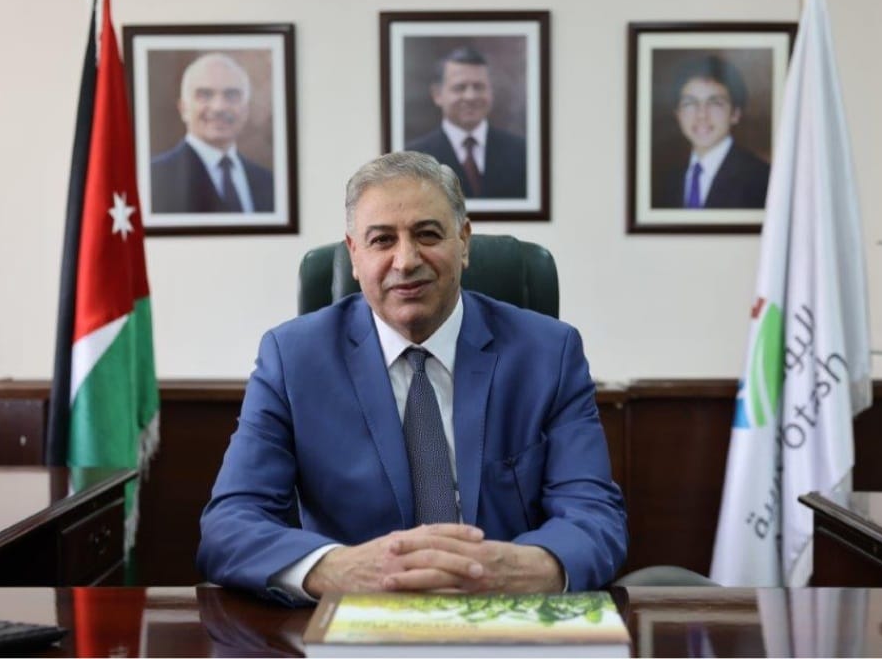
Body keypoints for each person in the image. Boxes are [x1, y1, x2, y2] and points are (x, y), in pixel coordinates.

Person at [198, 151, 627, 606]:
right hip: (359, 620)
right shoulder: (293, 359)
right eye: (382, 240)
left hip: (504, 613)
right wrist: (341, 568)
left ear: (464, 243)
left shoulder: (548, 353)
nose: (405, 260)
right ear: (354, 254)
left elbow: (594, 517)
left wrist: (513, 568)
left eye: (427, 234)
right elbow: (230, 526)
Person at [150, 52, 274, 214]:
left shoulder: (269, 182)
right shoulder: (154, 178)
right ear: (183, 109)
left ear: (246, 109)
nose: (219, 107)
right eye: (205, 95)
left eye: (231, 95)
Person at [406, 46, 527, 199]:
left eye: (479, 87)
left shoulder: (522, 152)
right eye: (459, 88)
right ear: (437, 94)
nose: (470, 96)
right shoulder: (415, 157)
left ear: (491, 92)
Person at [653, 54, 769, 209]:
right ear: (678, 114)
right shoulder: (669, 179)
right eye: (690, 103)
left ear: (735, 114)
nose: (702, 115)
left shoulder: (761, 177)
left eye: (715, 103)